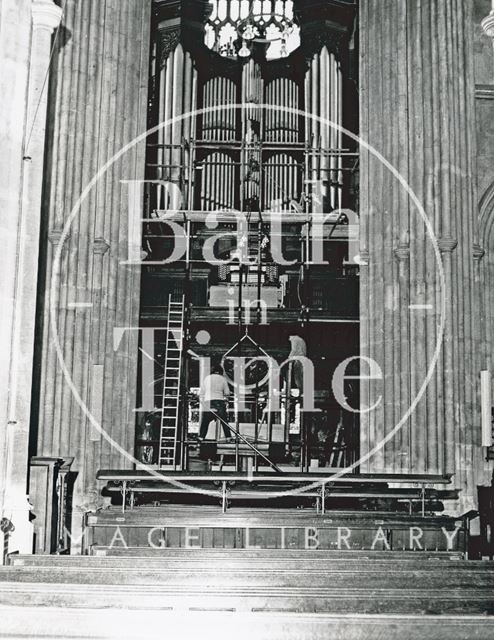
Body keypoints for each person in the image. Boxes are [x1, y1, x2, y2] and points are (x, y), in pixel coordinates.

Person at [198, 364, 232, 441]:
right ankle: (228, 437)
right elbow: (227, 392)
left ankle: (201, 437)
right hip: (219, 401)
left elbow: (202, 392)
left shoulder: (207, 378)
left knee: (205, 421)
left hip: (208, 401)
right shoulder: (223, 379)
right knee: (224, 421)